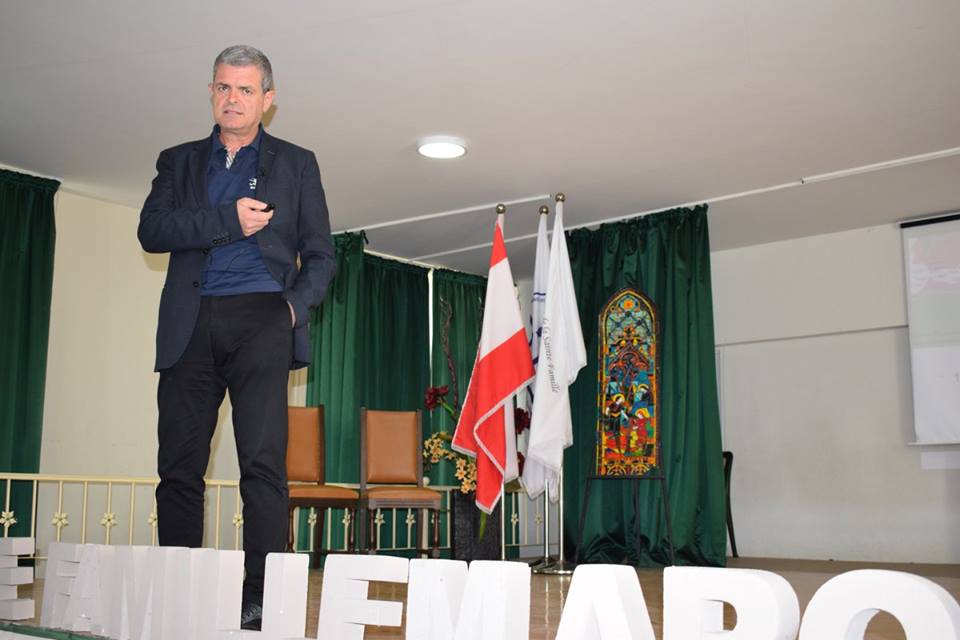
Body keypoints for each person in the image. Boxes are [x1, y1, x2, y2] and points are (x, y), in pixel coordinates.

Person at [137, 44, 335, 630]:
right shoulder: (178, 161)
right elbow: (152, 230)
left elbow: (321, 253)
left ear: (267, 99)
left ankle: (259, 599)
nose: (233, 98)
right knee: (178, 468)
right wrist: (229, 220)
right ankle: (179, 593)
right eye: (224, 87)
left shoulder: (297, 164)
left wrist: (290, 312)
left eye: (246, 89)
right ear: (211, 92)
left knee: (263, 467)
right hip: (190, 322)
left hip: (263, 319)